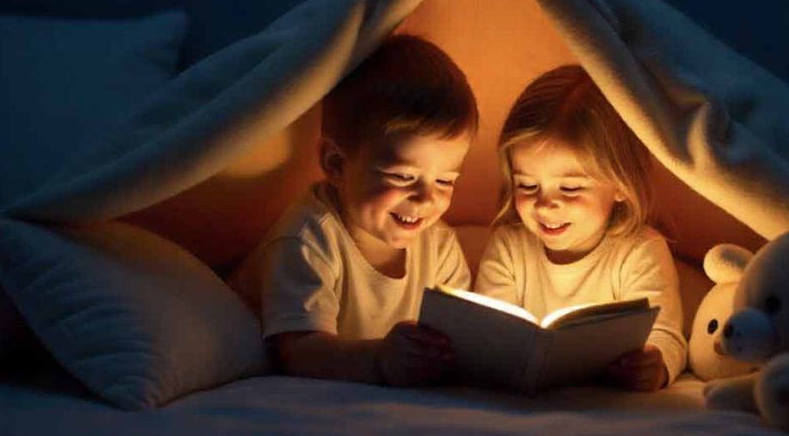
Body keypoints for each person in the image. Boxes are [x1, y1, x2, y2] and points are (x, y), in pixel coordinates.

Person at [230, 34, 478, 387]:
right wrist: (381, 359)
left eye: (445, 181)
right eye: (404, 176)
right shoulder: (307, 238)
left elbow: (460, 335)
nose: (425, 199)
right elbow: (298, 351)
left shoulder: (439, 246)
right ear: (336, 165)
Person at [474, 65, 686, 391]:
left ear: (620, 185)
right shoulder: (508, 248)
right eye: (527, 185)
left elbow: (666, 335)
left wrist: (653, 365)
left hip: (607, 409)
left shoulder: (640, 250)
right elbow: (489, 335)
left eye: (570, 189)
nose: (545, 204)